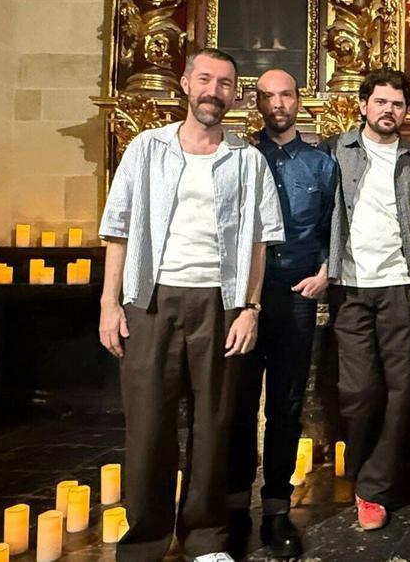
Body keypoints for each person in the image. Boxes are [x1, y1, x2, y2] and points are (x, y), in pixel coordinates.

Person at [98, 48, 285, 562]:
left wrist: (249, 308)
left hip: (219, 304)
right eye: (205, 79)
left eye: (225, 84)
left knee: (214, 424)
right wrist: (108, 304)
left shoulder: (247, 161)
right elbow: (117, 229)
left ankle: (205, 537)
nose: (214, 91)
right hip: (150, 302)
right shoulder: (145, 150)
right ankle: (144, 542)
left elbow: (259, 243)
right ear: (186, 83)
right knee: (149, 426)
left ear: (233, 95)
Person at [226, 69, 337, 558]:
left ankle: (275, 508)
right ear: (256, 102)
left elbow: (337, 225)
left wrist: (326, 272)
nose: (277, 103)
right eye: (267, 96)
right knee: (236, 401)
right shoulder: (237, 158)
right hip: (241, 298)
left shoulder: (320, 164)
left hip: (295, 295)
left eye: (285, 94)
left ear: (299, 100)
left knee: (287, 405)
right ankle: (232, 509)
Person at [319, 68, 410, 530]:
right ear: (364, 105)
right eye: (381, 102)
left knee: (403, 389)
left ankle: (374, 490)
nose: (389, 110)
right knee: (358, 392)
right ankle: (366, 469)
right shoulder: (334, 152)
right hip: (350, 285)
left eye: (398, 104)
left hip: (400, 286)